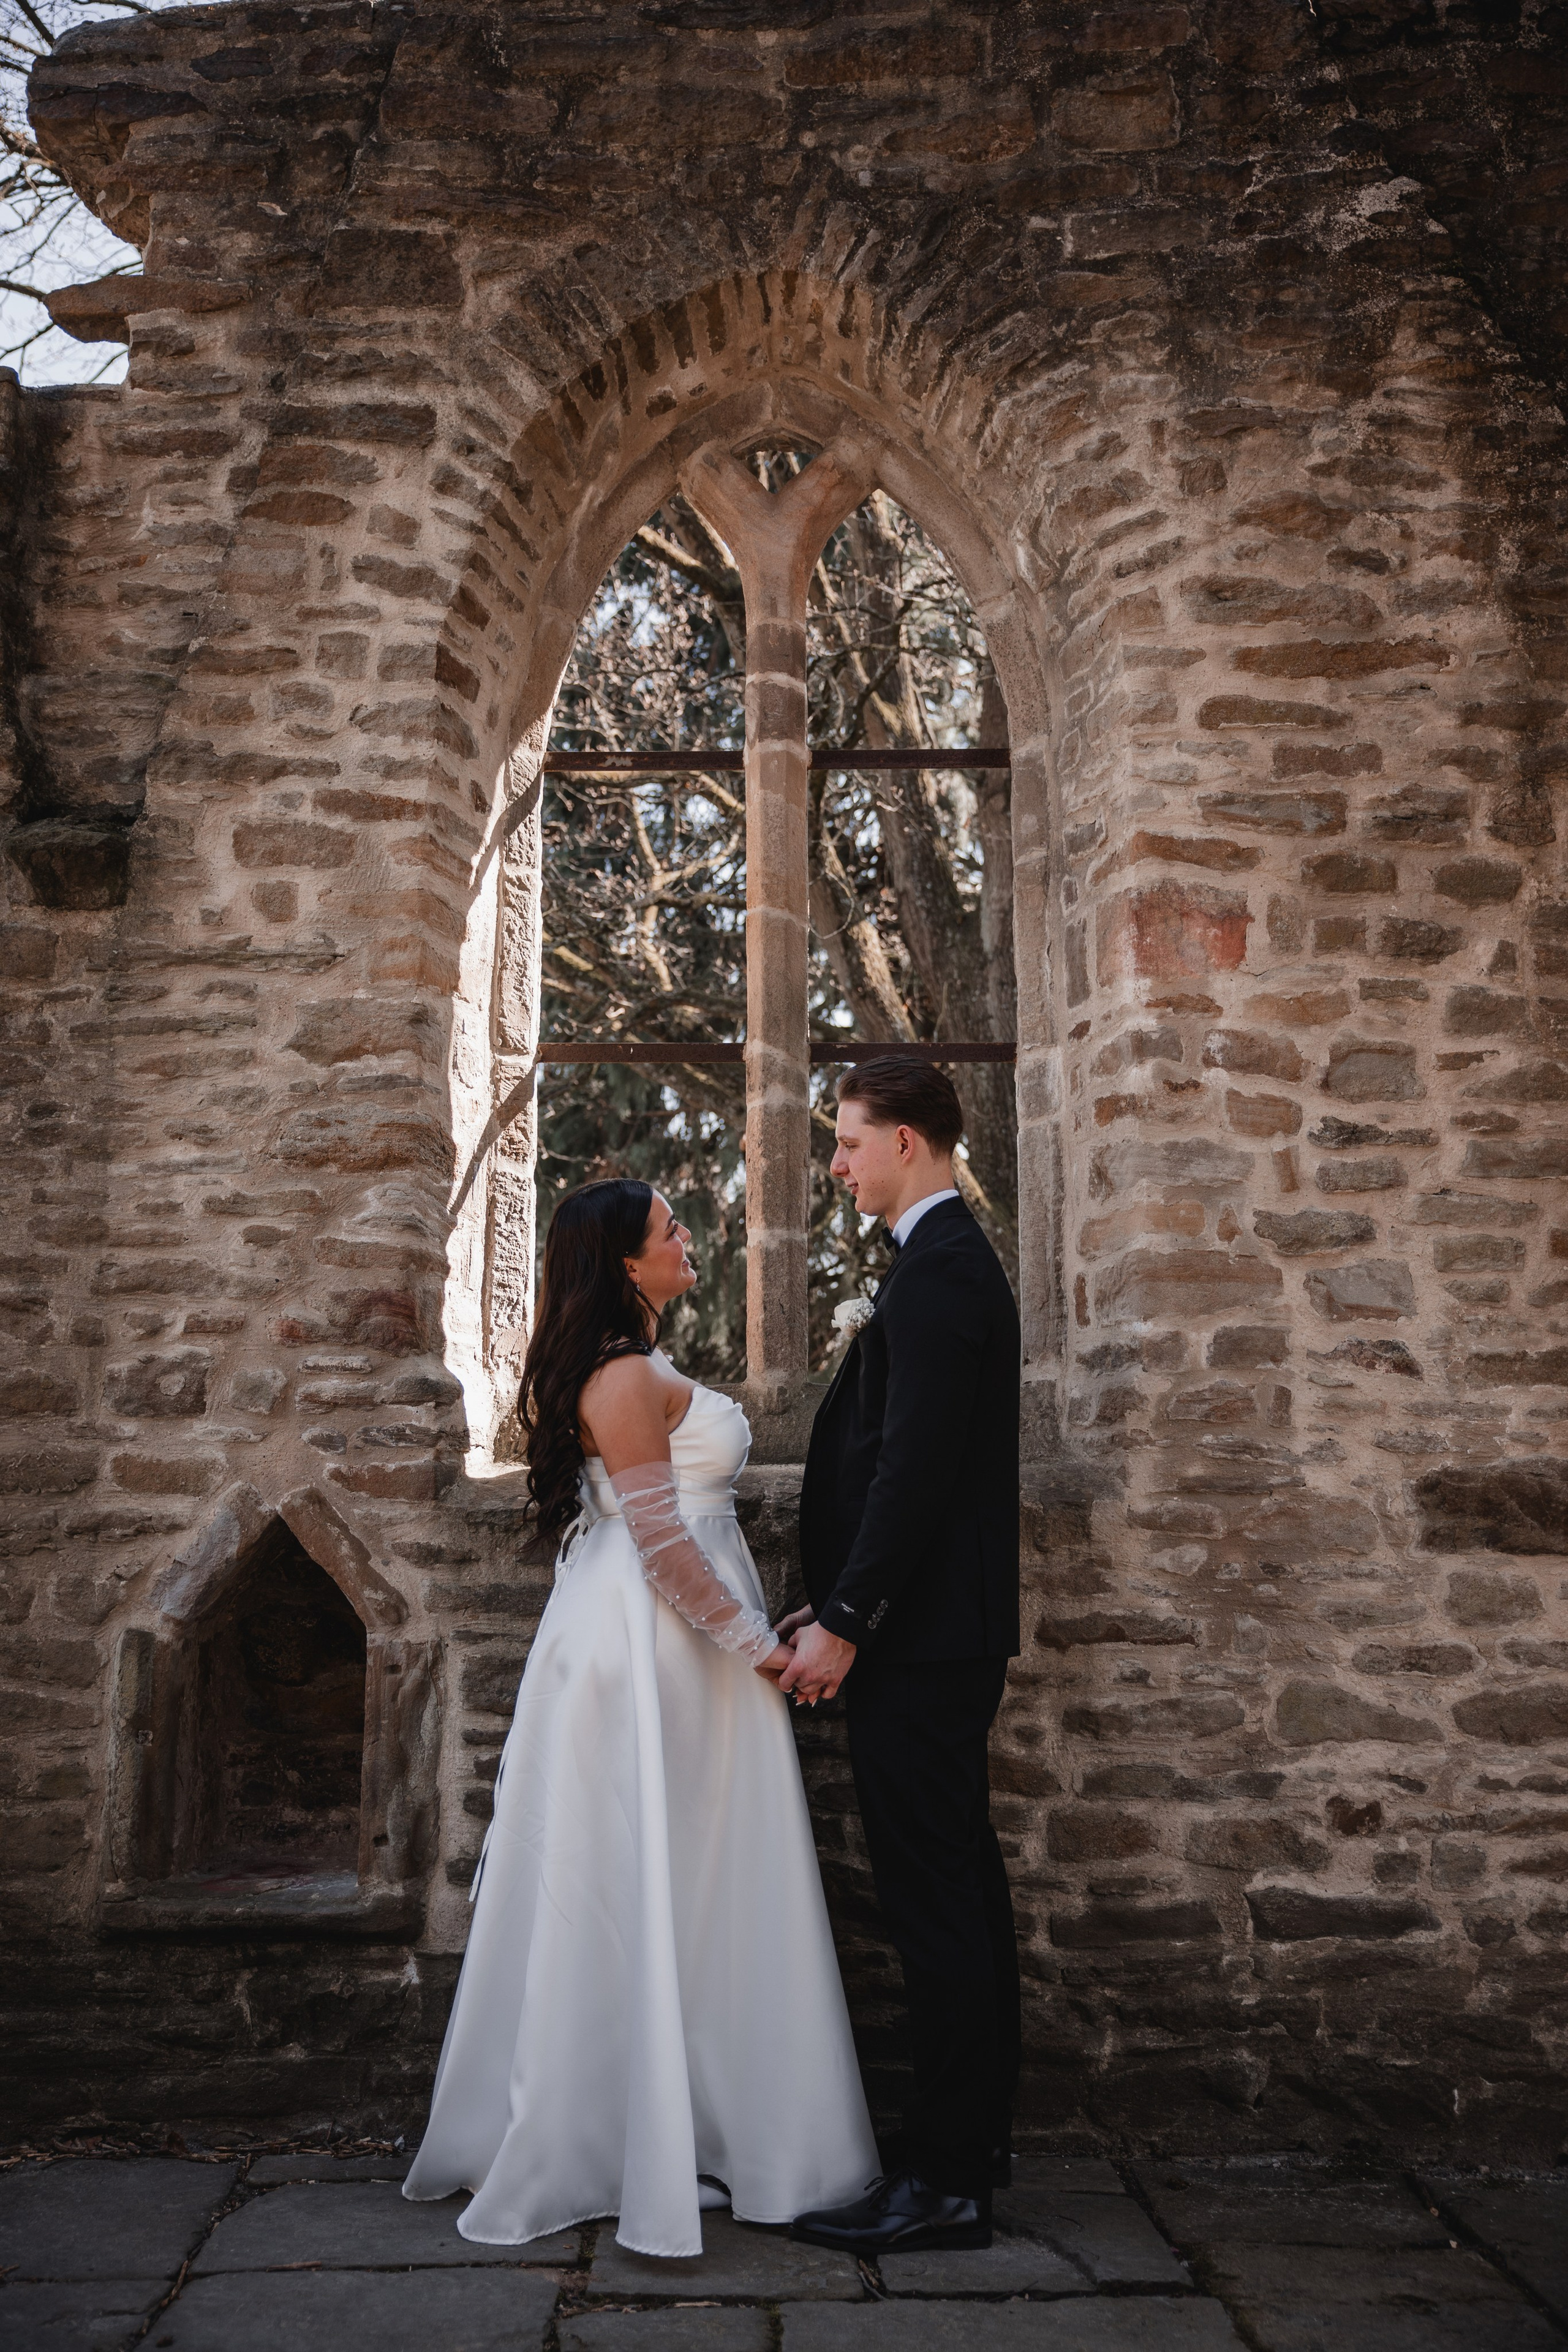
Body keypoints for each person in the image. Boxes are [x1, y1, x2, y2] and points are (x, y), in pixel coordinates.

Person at [404, 1177, 876, 2257]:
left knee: (700, 1881)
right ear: (625, 1260)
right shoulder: (620, 1375)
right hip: (651, 1645)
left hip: (682, 1645)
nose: (687, 1240)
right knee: (634, 1873)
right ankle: (615, 2135)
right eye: (669, 1230)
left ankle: (705, 2122)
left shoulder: (640, 1363)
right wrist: (758, 1647)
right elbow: (662, 1545)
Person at [782, 1058, 1021, 2258]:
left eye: (848, 1141)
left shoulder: (936, 1278)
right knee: (956, 1895)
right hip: (925, 1639)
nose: (835, 1164)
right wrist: (831, 1607)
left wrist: (847, 1623)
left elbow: (913, 1474)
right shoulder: (935, 1266)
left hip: (919, 1649)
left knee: (934, 1909)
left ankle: (944, 2182)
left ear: (909, 1144)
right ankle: (968, 2153)